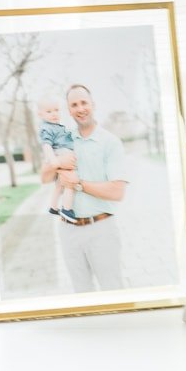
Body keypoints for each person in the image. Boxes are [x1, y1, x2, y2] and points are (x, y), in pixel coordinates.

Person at [41, 83, 129, 294]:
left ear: (93, 105)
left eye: (84, 103)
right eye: (74, 105)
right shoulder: (62, 137)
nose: (80, 109)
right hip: (67, 230)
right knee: (81, 292)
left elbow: (117, 192)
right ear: (68, 110)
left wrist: (77, 184)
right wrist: (56, 162)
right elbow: (45, 178)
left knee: (112, 289)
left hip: (101, 228)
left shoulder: (111, 142)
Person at [36, 97, 77, 223]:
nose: (54, 114)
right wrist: (53, 159)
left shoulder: (56, 126)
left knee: (59, 185)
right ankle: (66, 209)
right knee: (70, 182)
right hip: (60, 156)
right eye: (49, 111)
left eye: (56, 110)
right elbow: (46, 145)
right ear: (41, 114)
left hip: (61, 155)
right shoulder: (46, 128)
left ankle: (53, 208)